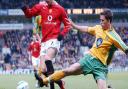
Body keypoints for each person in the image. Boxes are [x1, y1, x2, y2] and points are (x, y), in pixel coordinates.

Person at [36, 9, 128, 89]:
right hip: (89, 59)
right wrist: (74, 26)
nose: (100, 22)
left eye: (102, 20)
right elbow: (86, 29)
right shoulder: (98, 28)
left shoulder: (114, 36)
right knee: (67, 70)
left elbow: (125, 49)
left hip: (100, 66)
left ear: (109, 21)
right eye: (100, 20)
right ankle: (44, 81)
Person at [22, 0, 71, 89]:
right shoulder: (41, 6)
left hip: (54, 40)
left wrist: (62, 34)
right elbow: (29, 14)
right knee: (43, 70)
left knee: (48, 59)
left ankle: (52, 87)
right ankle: (60, 82)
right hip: (44, 42)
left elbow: (68, 25)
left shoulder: (60, 9)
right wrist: (24, 8)